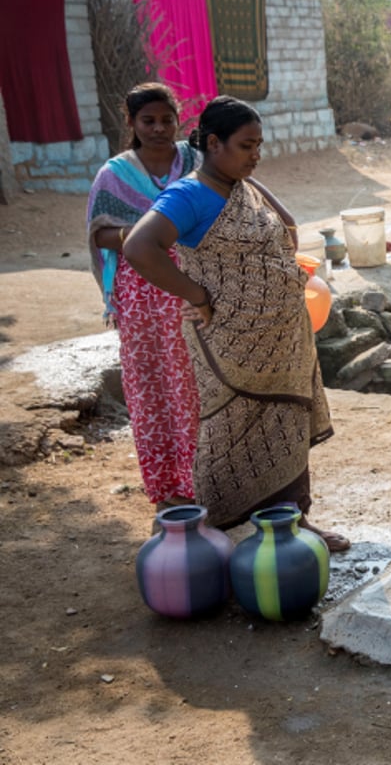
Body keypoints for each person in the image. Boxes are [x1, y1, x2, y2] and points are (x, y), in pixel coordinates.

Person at [123, 95, 350, 552]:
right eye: (247, 145)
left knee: (285, 426)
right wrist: (198, 294)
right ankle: (212, 535)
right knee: (227, 433)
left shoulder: (240, 187)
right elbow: (138, 246)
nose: (256, 155)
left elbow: (286, 225)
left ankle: (296, 523)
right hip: (229, 343)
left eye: (259, 145)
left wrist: (249, 177)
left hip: (282, 337)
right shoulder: (188, 195)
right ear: (213, 143)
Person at [86, 83, 200, 509]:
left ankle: (209, 475)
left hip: (192, 288)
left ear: (178, 118)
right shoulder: (114, 175)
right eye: (147, 121)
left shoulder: (196, 161)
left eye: (166, 119)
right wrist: (139, 235)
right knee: (155, 385)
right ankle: (170, 485)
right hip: (143, 297)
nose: (158, 128)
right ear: (131, 123)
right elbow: (97, 234)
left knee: (197, 381)